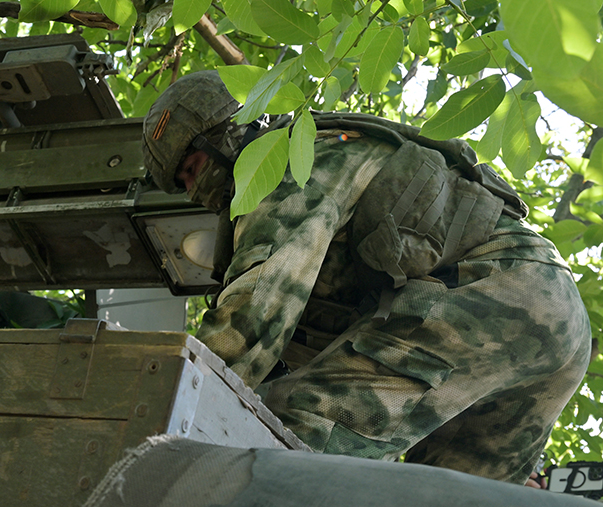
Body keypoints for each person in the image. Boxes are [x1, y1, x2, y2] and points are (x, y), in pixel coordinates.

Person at [141, 70, 592, 485]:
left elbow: (254, 314)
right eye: (182, 183)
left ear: (227, 134)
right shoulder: (335, 147)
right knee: (443, 496)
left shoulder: (292, 168)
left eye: (193, 169)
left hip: (495, 294)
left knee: (283, 428)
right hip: (555, 320)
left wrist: (156, 410)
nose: (193, 191)